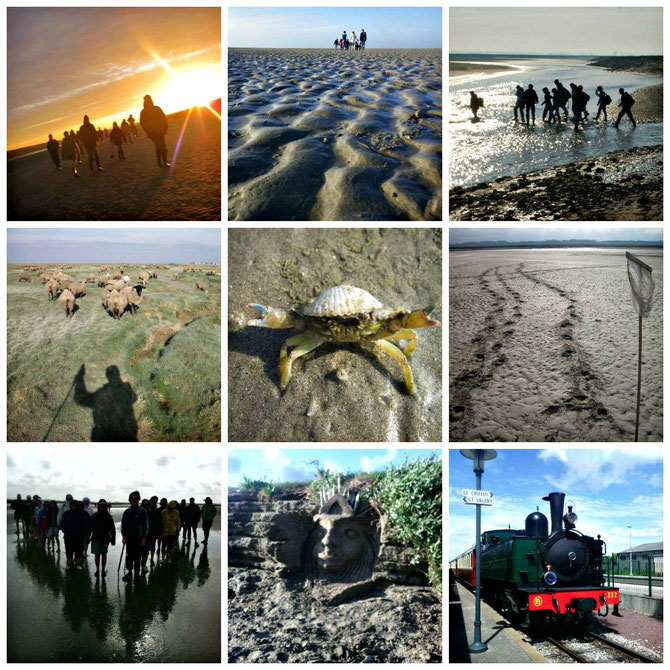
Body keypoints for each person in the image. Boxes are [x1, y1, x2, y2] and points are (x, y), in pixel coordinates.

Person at [121, 490, 148, 582]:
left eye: (135, 498)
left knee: (137, 557)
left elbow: (145, 525)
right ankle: (129, 573)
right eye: (132, 498)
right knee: (129, 557)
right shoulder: (126, 512)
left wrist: (144, 538)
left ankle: (136, 574)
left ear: (138, 499)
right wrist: (123, 537)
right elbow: (123, 525)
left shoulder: (142, 511)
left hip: (139, 539)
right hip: (129, 539)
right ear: (129, 500)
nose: (134, 500)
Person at [140, 94, 170, 168]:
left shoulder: (157, 108)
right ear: (145, 101)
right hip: (152, 133)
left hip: (161, 131)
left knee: (163, 146)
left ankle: (164, 162)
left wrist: (165, 127)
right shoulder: (143, 112)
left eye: (149, 99)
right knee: (159, 146)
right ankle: (160, 162)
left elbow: (163, 118)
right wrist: (149, 131)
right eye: (147, 100)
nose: (149, 101)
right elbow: (143, 123)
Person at [90, 499, 116, 577]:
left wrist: (113, 539)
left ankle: (103, 570)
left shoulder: (109, 517)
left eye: (104, 505)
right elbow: (89, 528)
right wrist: (87, 537)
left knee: (104, 555)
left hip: (105, 539)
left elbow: (112, 529)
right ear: (98, 506)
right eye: (101, 505)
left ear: (105, 506)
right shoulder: (94, 516)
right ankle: (97, 570)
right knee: (97, 555)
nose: (102, 507)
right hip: (95, 538)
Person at [61, 500, 90, 567]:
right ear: (70, 506)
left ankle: (77, 563)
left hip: (79, 537)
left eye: (75, 505)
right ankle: (69, 564)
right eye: (72, 505)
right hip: (68, 536)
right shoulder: (67, 513)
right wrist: (65, 530)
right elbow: (63, 523)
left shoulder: (82, 514)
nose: (74, 507)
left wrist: (85, 535)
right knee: (69, 551)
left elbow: (85, 525)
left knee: (78, 552)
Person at [144, 496, 162, 567]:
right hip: (146, 533)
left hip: (154, 532)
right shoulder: (146, 510)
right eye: (152, 501)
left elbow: (159, 522)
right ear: (150, 501)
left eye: (155, 501)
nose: (153, 502)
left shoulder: (157, 511)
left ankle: (151, 559)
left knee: (153, 547)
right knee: (145, 549)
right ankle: (144, 563)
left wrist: (158, 532)